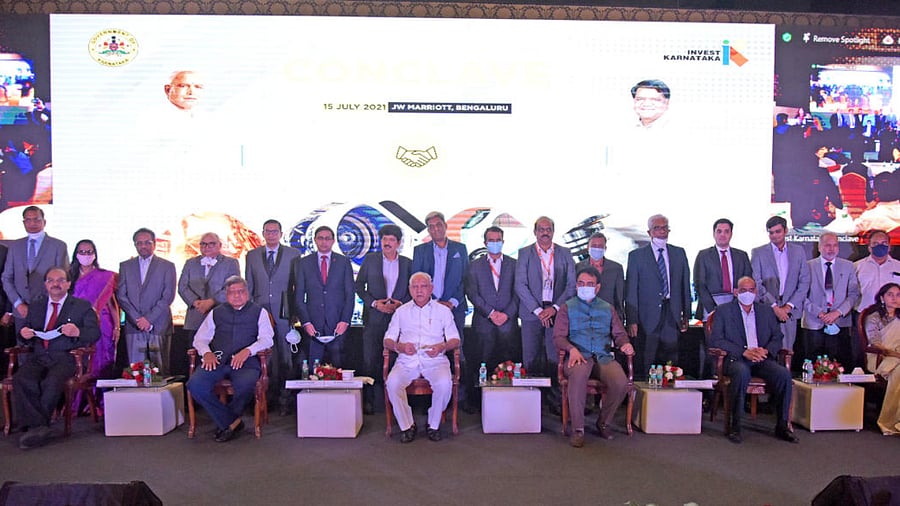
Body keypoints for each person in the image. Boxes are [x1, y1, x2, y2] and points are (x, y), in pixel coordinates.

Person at [13, 267, 100, 449]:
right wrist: (23, 334)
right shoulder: (36, 306)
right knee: (22, 378)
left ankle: (35, 427)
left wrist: (78, 332)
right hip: (39, 356)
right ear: (45, 284)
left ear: (68, 284)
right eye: (51, 280)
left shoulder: (82, 306)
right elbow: (24, 334)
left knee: (51, 382)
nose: (55, 284)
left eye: (60, 280)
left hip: (66, 357)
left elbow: (94, 333)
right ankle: (40, 426)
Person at [708, 276, 798, 444]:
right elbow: (717, 340)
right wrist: (744, 352)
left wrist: (766, 350)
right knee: (741, 373)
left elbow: (777, 337)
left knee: (784, 375)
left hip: (762, 358)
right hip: (736, 359)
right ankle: (735, 427)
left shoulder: (765, 311)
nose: (747, 294)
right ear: (736, 292)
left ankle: (782, 426)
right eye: (743, 290)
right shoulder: (724, 311)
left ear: (756, 292)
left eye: (751, 290)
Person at [186, 276, 273, 442]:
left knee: (245, 384)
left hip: (246, 362)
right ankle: (232, 422)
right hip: (217, 360)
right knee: (195, 385)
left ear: (247, 293)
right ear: (226, 295)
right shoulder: (216, 312)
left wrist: (248, 351)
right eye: (232, 292)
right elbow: (200, 339)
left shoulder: (259, 312)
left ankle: (227, 423)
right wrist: (206, 353)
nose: (236, 295)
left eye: (240, 291)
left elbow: (267, 339)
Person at [554, 266, 633, 447]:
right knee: (579, 375)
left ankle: (603, 421)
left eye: (589, 284)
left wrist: (625, 343)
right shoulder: (567, 308)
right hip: (578, 356)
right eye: (581, 283)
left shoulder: (608, 308)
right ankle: (578, 429)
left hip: (603, 356)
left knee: (620, 382)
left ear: (597, 287)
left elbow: (619, 334)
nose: (585, 287)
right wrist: (571, 349)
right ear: (576, 286)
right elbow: (558, 337)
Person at [383, 272, 460, 443]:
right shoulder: (401, 312)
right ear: (410, 290)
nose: (419, 291)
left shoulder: (443, 311)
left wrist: (442, 346)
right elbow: (387, 340)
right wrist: (399, 346)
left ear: (431, 289)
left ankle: (433, 424)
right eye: (415, 287)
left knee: (445, 383)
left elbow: (455, 339)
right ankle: (407, 425)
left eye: (423, 286)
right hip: (407, 360)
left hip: (435, 359)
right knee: (393, 382)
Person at [515, 216, 576, 413]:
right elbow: (520, 285)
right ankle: (532, 403)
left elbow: (571, 285)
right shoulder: (525, 253)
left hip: (557, 311)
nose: (545, 232)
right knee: (530, 357)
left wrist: (555, 308)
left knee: (554, 357)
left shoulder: (565, 253)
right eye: (541, 229)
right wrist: (539, 310)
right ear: (535, 232)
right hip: (532, 312)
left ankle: (557, 402)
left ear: (553, 231)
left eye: (548, 229)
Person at [411, 212, 470, 407]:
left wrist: (452, 302)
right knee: (430, 350)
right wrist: (433, 303)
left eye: (438, 225)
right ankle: (429, 400)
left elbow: (466, 280)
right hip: (428, 309)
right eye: (431, 226)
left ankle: (459, 400)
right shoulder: (420, 251)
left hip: (455, 308)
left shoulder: (460, 249)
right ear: (428, 229)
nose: (435, 229)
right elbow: (417, 280)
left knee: (457, 352)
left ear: (445, 226)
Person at [244, 219, 301, 414]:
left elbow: (297, 287)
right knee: (263, 356)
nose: (271, 235)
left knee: (286, 357)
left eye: (274, 231)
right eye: (267, 231)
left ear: (281, 233)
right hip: (259, 312)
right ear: (263, 233)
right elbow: (249, 286)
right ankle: (264, 399)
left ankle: (286, 399)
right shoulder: (251, 255)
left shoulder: (294, 255)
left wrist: (295, 312)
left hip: (284, 313)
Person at [355, 224, 412, 415]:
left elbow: (414, 290)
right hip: (374, 317)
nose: (387, 243)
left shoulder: (407, 263)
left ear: (399, 243)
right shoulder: (370, 260)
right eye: (384, 239)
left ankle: (396, 401)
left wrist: (401, 303)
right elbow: (359, 287)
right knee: (370, 359)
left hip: (399, 318)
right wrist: (374, 304)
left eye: (391, 240)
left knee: (397, 360)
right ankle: (370, 402)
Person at [625, 214, 691, 378]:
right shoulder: (637, 256)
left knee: (671, 360)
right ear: (649, 232)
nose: (662, 231)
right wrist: (632, 319)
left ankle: (669, 398)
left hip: (672, 312)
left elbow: (684, 285)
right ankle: (645, 398)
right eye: (657, 228)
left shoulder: (679, 253)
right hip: (647, 316)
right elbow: (631, 289)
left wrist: (687, 314)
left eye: (665, 228)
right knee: (647, 357)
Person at [465, 226, 518, 408]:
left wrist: (507, 314)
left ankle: (506, 403)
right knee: (481, 362)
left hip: (507, 323)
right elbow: (472, 293)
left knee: (507, 362)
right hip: (483, 322)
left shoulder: (514, 264)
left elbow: (519, 292)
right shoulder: (474, 265)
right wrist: (490, 313)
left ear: (503, 242)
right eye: (491, 240)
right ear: (485, 243)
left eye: (498, 240)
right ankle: (479, 403)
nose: (494, 243)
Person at [693, 218, 752, 377]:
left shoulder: (742, 255)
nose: (722, 235)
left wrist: (738, 301)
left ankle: (734, 383)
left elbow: (748, 282)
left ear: (731, 234)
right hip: (711, 306)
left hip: (736, 306)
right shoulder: (704, 255)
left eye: (726, 231)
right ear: (714, 234)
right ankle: (710, 392)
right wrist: (714, 310)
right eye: (719, 231)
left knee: (735, 347)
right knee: (712, 349)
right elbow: (699, 284)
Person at [291, 226, 354, 367]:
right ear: (314, 240)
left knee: (339, 368)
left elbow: (350, 294)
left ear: (333, 241)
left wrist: (345, 320)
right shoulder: (303, 263)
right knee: (312, 369)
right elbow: (299, 296)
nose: (324, 242)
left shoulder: (344, 262)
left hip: (337, 323)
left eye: (327, 238)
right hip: (313, 325)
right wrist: (305, 322)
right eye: (320, 238)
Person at [67, 239, 119, 412]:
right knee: (80, 361)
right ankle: (80, 403)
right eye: (82, 252)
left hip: (102, 324)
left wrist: (117, 326)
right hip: (76, 327)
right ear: (76, 254)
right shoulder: (69, 277)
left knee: (101, 360)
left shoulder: (105, 276)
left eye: (89, 252)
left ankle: (99, 402)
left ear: (95, 254)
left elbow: (112, 304)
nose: (86, 255)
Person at [118, 228, 177, 373]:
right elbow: (121, 295)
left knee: (160, 372)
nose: (143, 246)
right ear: (135, 245)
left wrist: (149, 319)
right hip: (134, 326)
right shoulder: (125, 266)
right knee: (136, 371)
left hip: (159, 325)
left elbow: (168, 296)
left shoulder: (167, 266)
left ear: (154, 244)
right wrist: (138, 319)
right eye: (139, 243)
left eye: (147, 242)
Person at [750, 216, 810, 357]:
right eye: (771, 232)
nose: (774, 236)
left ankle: (786, 378)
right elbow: (756, 282)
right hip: (767, 309)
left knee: (787, 352)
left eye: (778, 231)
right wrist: (775, 307)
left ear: (786, 231)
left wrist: (789, 306)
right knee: (766, 352)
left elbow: (804, 281)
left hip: (790, 312)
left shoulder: (798, 251)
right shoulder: (758, 252)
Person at [2, 206, 69, 332]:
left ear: (44, 222)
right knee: (22, 349)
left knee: (47, 349)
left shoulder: (58, 246)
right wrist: (18, 304)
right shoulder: (15, 246)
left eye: (36, 219)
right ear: (24, 223)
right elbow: (7, 278)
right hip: (21, 311)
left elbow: (63, 279)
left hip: (49, 309)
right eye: (28, 220)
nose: (32, 223)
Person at [801, 231, 860, 366]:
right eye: (827, 245)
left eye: (835, 245)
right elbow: (801, 295)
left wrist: (837, 312)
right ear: (819, 247)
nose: (831, 249)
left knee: (839, 365)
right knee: (813, 365)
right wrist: (820, 313)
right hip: (814, 322)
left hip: (840, 322)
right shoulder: (807, 266)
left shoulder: (848, 266)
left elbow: (853, 294)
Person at [177, 232, 240, 341]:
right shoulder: (190, 263)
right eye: (203, 244)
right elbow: (182, 286)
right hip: (195, 318)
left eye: (211, 244)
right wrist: (195, 302)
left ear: (219, 245)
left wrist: (211, 301)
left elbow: (232, 287)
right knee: (194, 354)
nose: (207, 247)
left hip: (221, 317)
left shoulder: (230, 263)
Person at [854, 230, 900, 368]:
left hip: (894, 317)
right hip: (862, 316)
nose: (880, 246)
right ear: (869, 247)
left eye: (884, 243)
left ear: (890, 246)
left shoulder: (898, 266)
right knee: (860, 356)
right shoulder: (857, 266)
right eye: (875, 244)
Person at [862, 282, 900, 435]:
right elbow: (875, 343)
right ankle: (889, 422)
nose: (895, 298)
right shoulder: (874, 317)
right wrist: (895, 354)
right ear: (882, 298)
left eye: (898, 295)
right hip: (880, 358)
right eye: (890, 295)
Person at [575, 232, 625, 321]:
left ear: (605, 248)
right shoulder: (577, 267)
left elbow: (619, 298)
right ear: (588, 247)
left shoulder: (616, 268)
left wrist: (619, 321)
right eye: (594, 245)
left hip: (608, 320)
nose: (596, 248)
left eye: (600, 246)